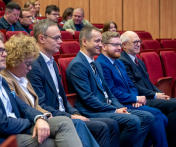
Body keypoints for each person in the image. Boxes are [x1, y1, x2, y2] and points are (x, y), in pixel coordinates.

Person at [0, 32, 83, 147]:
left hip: (16, 128)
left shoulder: (0, 80)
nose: (5, 54)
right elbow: (2, 124)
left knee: (64, 122)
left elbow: (22, 106)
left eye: (4, 50)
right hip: (0, 138)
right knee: (52, 143)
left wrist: (38, 117)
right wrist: (32, 121)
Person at [26, 19, 120, 147]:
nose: (60, 41)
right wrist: (71, 116)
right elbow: (41, 104)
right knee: (101, 126)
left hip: (64, 113)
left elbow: (62, 99)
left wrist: (74, 113)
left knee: (107, 125)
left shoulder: (52, 62)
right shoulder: (34, 66)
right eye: (56, 38)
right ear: (41, 38)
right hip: (53, 117)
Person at [0, 32, 94, 147]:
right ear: (15, 60)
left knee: (70, 124)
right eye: (28, 64)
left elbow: (36, 104)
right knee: (65, 124)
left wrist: (46, 114)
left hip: (39, 118)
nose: (30, 67)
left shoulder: (22, 77)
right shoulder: (5, 80)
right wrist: (41, 117)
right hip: (26, 123)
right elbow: (22, 109)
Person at [66, 26, 154, 147]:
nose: (101, 44)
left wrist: (119, 107)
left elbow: (108, 93)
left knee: (147, 117)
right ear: (85, 41)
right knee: (133, 120)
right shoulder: (78, 65)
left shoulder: (95, 63)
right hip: (91, 110)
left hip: (107, 106)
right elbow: (87, 98)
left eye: (101, 41)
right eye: (97, 41)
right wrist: (114, 109)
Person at [119, 31, 176, 147]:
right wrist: (156, 95)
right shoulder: (123, 61)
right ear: (124, 45)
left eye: (139, 41)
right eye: (135, 42)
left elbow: (148, 83)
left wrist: (159, 93)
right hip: (141, 99)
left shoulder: (139, 61)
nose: (138, 44)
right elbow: (133, 86)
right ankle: (174, 143)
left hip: (150, 95)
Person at [97, 31, 168, 147]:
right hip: (120, 103)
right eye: (115, 45)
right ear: (104, 46)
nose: (119, 48)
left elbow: (131, 85)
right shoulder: (101, 64)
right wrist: (133, 98)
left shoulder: (119, 63)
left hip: (130, 101)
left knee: (163, 119)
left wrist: (135, 98)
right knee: (157, 115)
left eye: (119, 45)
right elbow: (112, 92)